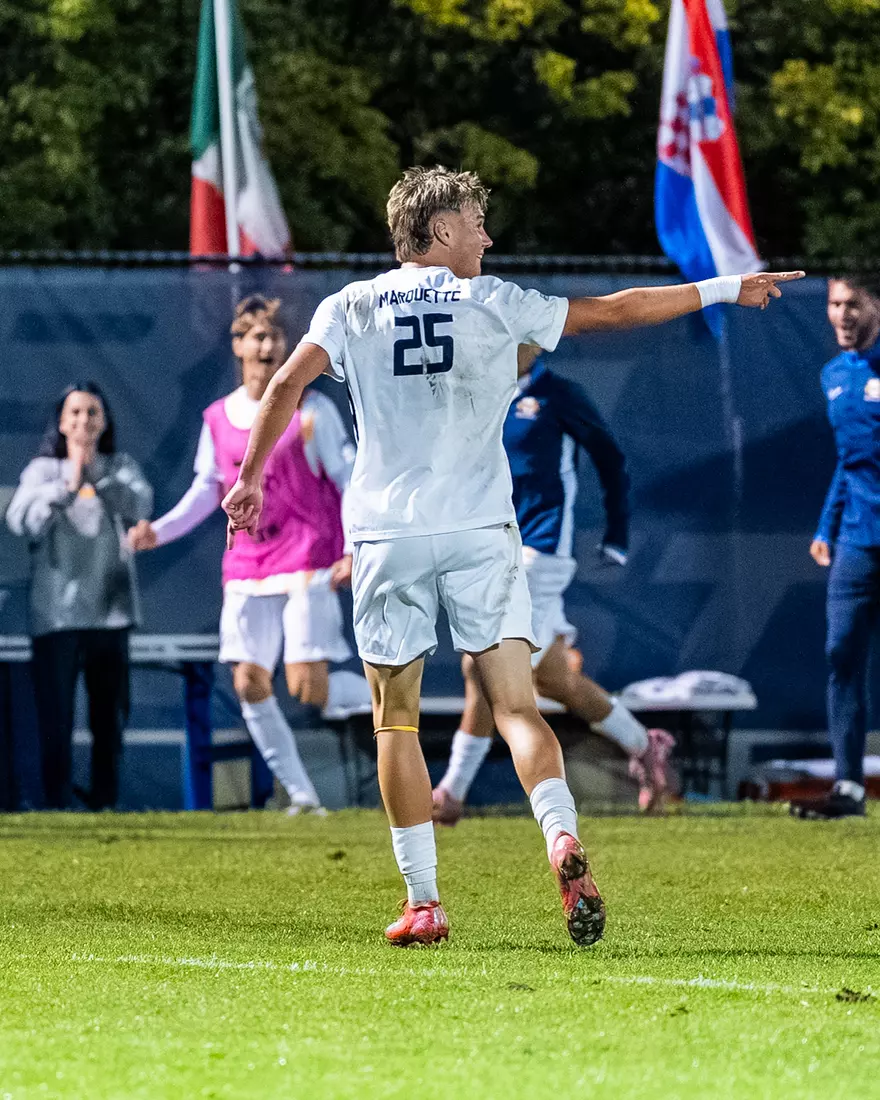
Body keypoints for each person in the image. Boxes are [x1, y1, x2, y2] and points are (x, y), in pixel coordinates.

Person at [222, 165, 803, 947]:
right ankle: (561, 837)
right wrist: (726, 287)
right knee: (519, 706)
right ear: (438, 231)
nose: (487, 238)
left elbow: (285, 386)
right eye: (475, 222)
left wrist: (250, 478)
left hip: (386, 537)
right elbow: (619, 309)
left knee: (396, 724)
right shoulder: (493, 303)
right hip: (480, 532)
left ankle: (424, 902)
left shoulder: (347, 306)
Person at [129, 294, 368, 814]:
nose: (267, 346)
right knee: (248, 681)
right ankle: (304, 799)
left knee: (309, 689)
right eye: (257, 336)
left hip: (308, 557)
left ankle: (390, 692)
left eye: (275, 337)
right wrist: (160, 532)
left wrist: (353, 547)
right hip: (247, 563)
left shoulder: (311, 411)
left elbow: (349, 480)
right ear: (238, 346)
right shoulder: (217, 417)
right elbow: (206, 490)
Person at [432, 343, 673, 826]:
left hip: (540, 551)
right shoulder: (477, 392)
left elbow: (609, 456)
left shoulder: (558, 394)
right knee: (555, 680)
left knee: (482, 666)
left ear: (537, 341)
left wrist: (618, 535)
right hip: (489, 548)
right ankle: (645, 746)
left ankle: (450, 793)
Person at [6, 382, 153, 810]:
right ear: (62, 421)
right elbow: (22, 522)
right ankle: (56, 804)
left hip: (111, 614)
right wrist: (66, 485)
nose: (84, 421)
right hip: (57, 617)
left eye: (92, 413)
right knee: (56, 719)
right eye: (75, 413)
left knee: (108, 718)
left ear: (104, 420)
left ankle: (104, 801)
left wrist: (95, 475)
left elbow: (140, 504)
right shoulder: (41, 472)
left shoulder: (120, 466)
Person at [792, 276, 880, 820]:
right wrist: (826, 526)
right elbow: (850, 465)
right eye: (834, 304)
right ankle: (849, 787)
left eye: (854, 303)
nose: (842, 314)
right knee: (840, 655)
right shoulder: (833, 377)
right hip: (857, 543)